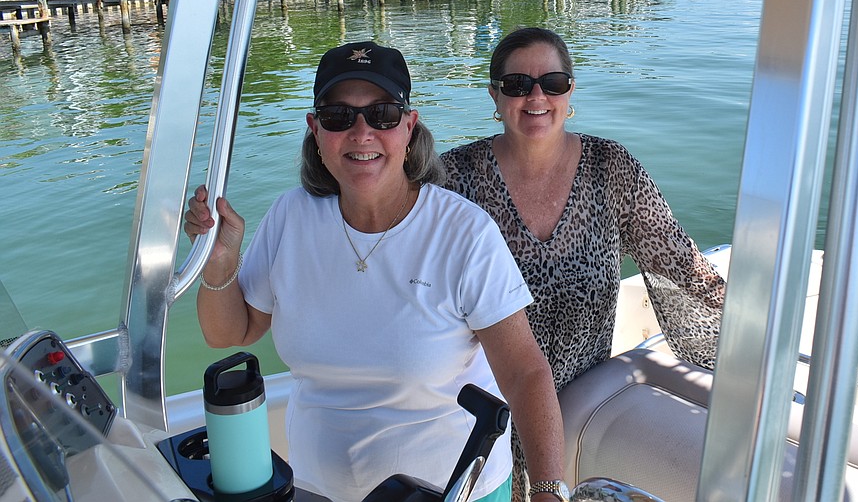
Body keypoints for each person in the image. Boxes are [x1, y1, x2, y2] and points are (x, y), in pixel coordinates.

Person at [185, 41, 565, 502]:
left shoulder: (464, 233)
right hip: (314, 487)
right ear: (315, 130)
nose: (362, 133)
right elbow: (231, 332)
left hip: (450, 491)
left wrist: (548, 491)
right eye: (338, 116)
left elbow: (526, 373)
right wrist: (220, 263)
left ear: (409, 126)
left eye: (382, 114)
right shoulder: (290, 217)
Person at [440, 27, 726, 499]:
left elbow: (678, 259)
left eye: (551, 82)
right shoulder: (454, 179)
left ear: (570, 90)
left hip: (580, 411)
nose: (536, 96)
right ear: (494, 94)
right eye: (517, 85)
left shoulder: (610, 167)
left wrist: (748, 319)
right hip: (484, 414)